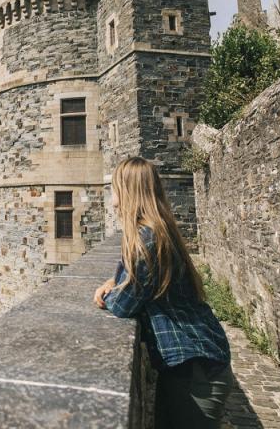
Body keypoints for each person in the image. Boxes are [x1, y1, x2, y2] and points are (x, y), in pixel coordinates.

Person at [94, 156, 232, 429]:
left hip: (194, 370)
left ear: (127, 190)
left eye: (114, 187)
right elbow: (137, 280)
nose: (112, 196)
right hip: (191, 364)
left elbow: (123, 306)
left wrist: (107, 294)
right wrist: (114, 280)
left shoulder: (146, 239)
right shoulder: (155, 230)